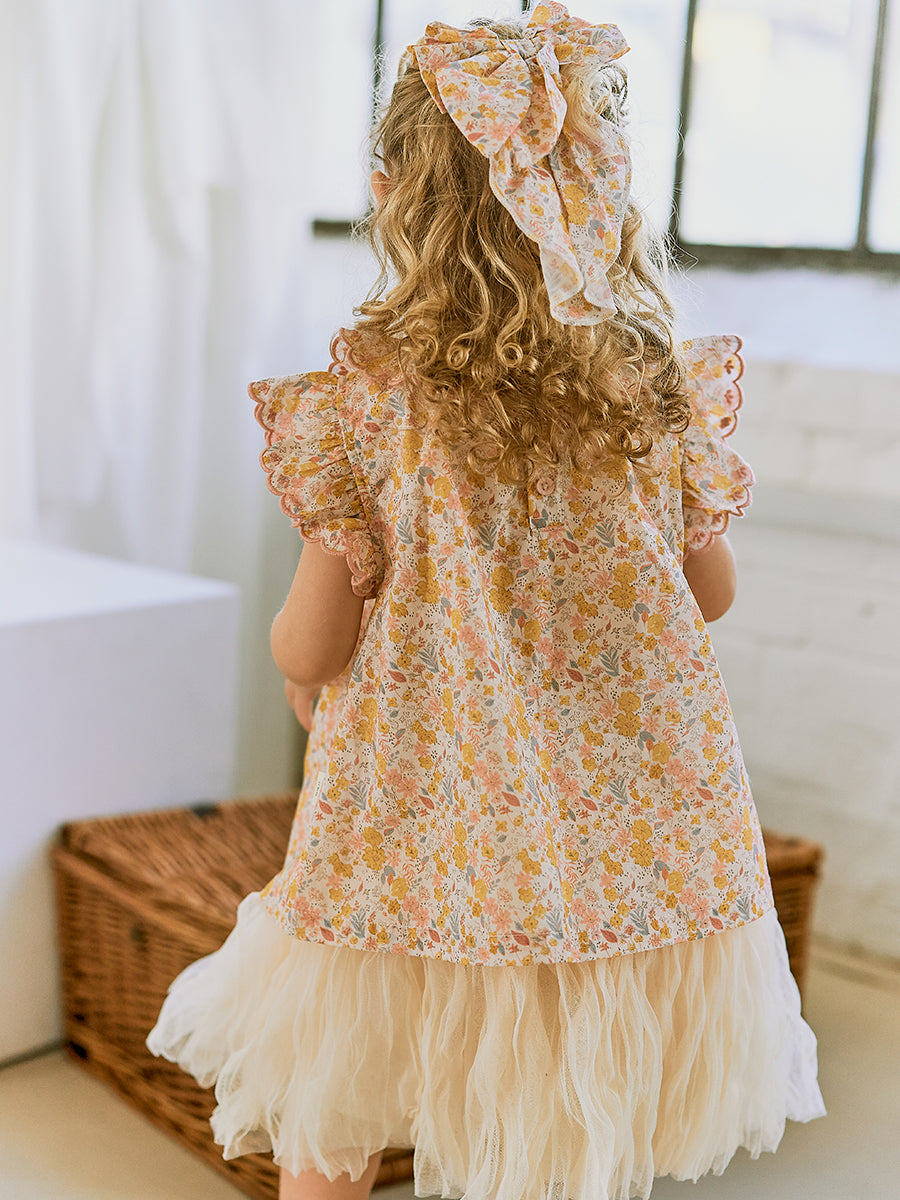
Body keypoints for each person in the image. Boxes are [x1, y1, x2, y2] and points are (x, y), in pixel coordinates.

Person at [146, 6, 826, 1200]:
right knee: (562, 1095)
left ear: (391, 196)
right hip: (616, 842)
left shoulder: (373, 401)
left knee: (337, 1073)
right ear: (601, 197)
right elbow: (707, 595)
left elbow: (315, 636)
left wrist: (301, 672)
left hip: (417, 820)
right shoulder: (651, 387)